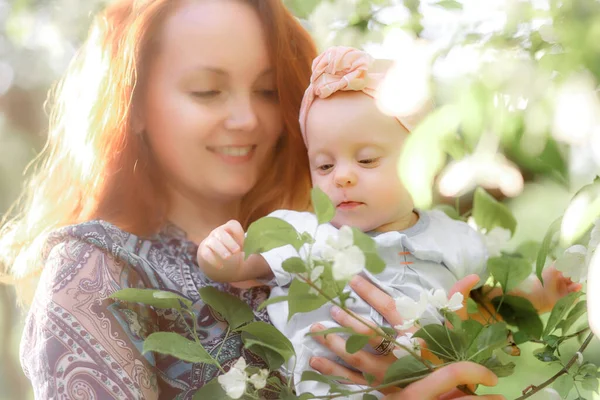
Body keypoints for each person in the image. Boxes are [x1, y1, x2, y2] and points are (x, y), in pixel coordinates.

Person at [0, 0, 504, 398]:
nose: (247, 119)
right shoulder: (95, 271)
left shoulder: (343, 238)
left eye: (266, 91)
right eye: (206, 91)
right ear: (133, 107)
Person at [197, 46, 581, 397]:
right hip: (333, 385)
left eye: (366, 160)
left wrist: (540, 295)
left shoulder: (454, 238)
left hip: (431, 381)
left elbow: (483, 306)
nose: (342, 177)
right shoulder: (303, 233)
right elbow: (239, 266)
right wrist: (220, 255)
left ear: (423, 163)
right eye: (325, 165)